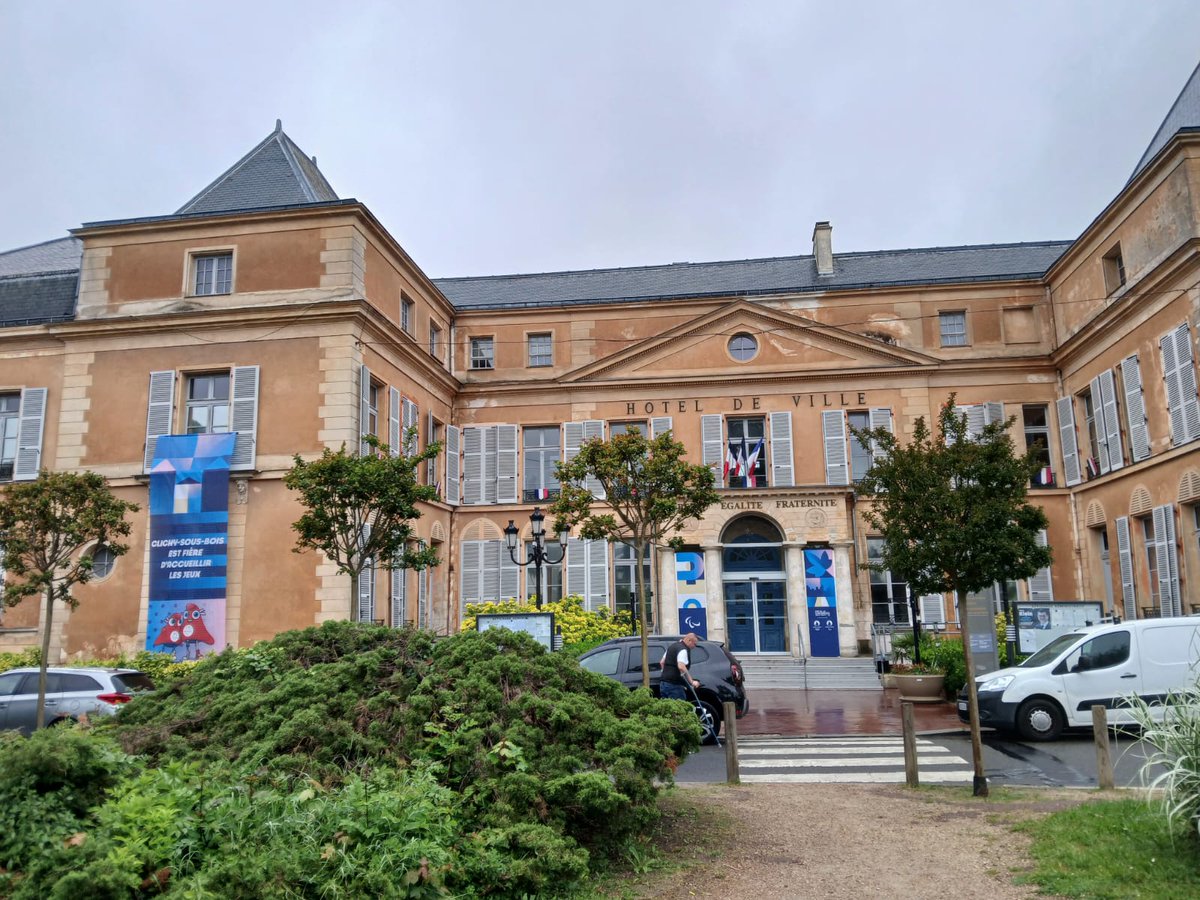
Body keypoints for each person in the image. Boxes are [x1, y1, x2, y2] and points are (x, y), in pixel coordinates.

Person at [660, 633, 701, 701]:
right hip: (674, 685)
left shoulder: (672, 646)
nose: (694, 647)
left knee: (667, 708)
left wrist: (665, 673)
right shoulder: (683, 650)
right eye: (694, 644)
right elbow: (681, 666)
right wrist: (691, 681)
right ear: (689, 640)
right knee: (679, 708)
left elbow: (662, 662)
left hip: (663, 684)